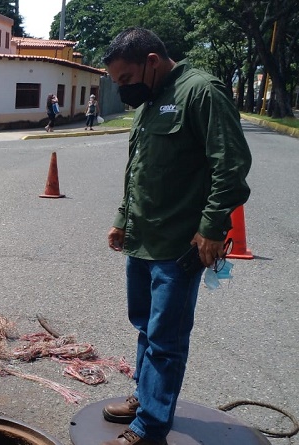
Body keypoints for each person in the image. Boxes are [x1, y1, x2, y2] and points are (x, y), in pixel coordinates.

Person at [102, 27, 251, 445]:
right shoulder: (150, 101)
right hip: (143, 239)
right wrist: (122, 218)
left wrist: (211, 228)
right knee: (146, 327)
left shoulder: (200, 92)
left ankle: (150, 425)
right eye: (117, 83)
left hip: (179, 245)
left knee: (166, 338)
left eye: (126, 79)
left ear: (152, 61)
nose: (123, 89)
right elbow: (140, 170)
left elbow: (231, 166)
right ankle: (143, 397)